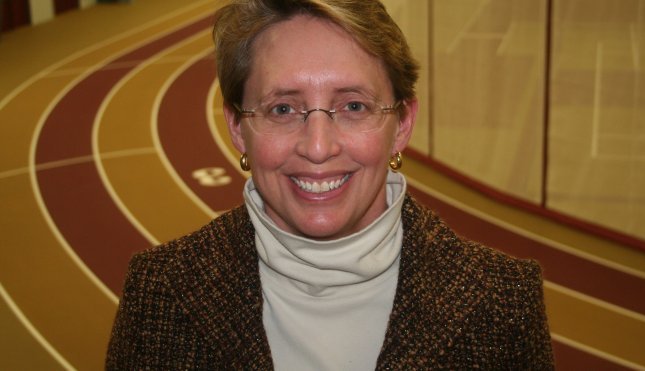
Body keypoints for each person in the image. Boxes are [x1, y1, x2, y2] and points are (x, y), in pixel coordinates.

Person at [105, 0, 554, 369]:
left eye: (353, 106)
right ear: (238, 128)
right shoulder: (159, 292)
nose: (318, 148)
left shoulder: (503, 303)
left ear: (401, 124)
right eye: (282, 109)